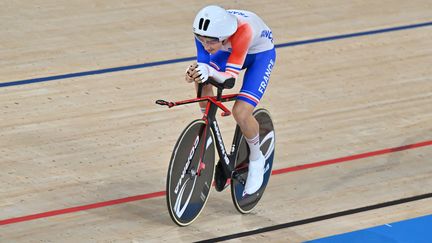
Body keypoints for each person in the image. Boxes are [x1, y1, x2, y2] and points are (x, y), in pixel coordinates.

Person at [185, 5, 276, 195]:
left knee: (241, 113)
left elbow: (229, 79)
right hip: (230, 51)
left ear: (225, 35)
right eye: (201, 40)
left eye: (210, 42)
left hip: (259, 56)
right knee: (201, 79)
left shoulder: (243, 30)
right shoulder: (206, 35)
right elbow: (204, 63)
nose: (206, 46)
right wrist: (196, 72)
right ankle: (208, 122)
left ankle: (257, 159)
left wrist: (209, 70)